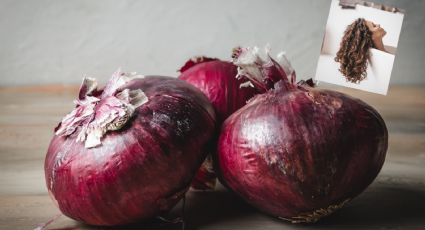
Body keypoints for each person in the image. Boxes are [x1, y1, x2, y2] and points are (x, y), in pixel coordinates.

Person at [334, 18, 387, 83]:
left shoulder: (384, 56)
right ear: (369, 36)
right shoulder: (383, 59)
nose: (378, 25)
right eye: (374, 26)